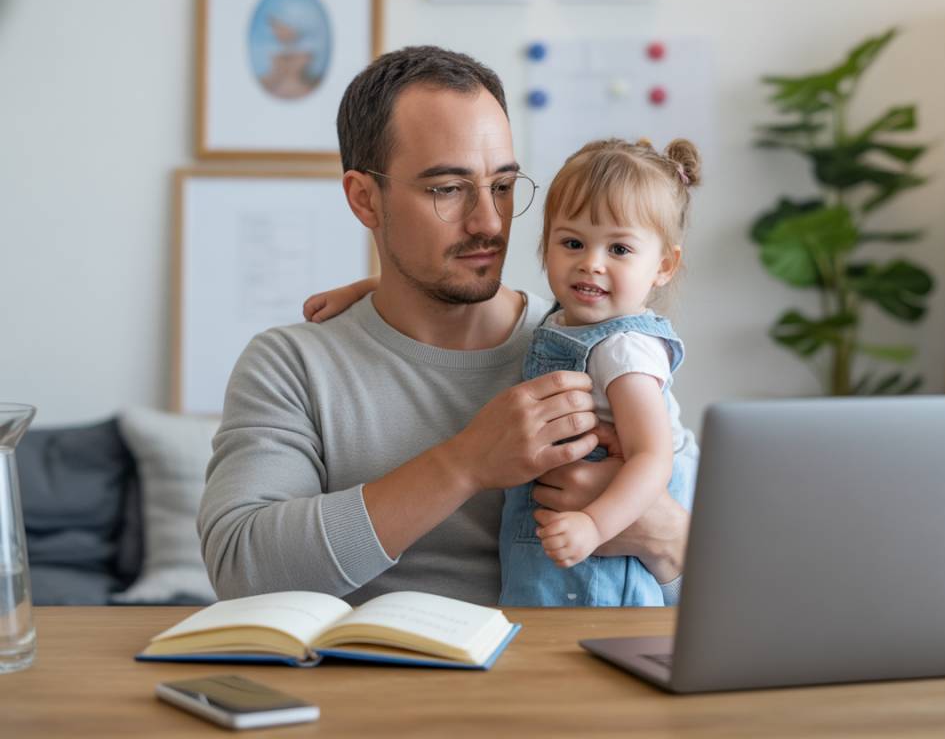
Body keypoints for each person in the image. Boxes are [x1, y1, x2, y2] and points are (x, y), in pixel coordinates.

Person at [198, 45, 689, 608]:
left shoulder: (598, 346)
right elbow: (240, 571)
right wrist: (463, 464)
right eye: (447, 189)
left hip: (565, 663)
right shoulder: (293, 364)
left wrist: (660, 537)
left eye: (502, 186)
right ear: (365, 199)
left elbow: (717, 596)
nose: (488, 222)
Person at [306, 138, 700, 606]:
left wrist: (594, 525)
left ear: (664, 265)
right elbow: (430, 287)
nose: (591, 264)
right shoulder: (565, 322)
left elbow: (652, 457)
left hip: (599, 574)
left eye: (619, 248)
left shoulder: (624, 351)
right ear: (546, 246)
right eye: (572, 243)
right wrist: (364, 290)